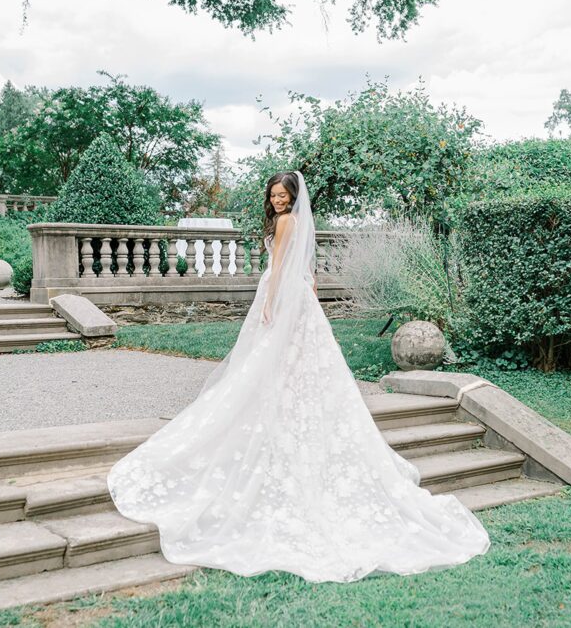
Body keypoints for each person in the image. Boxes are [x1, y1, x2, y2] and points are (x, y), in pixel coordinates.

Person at [107, 170, 491, 583]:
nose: (276, 201)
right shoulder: (294, 222)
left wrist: (270, 306)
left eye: (282, 195)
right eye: (272, 195)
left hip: (281, 297)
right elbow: (305, 271)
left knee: (269, 364)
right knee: (295, 368)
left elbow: (278, 268)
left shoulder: (288, 223)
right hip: (297, 298)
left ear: (293, 198)